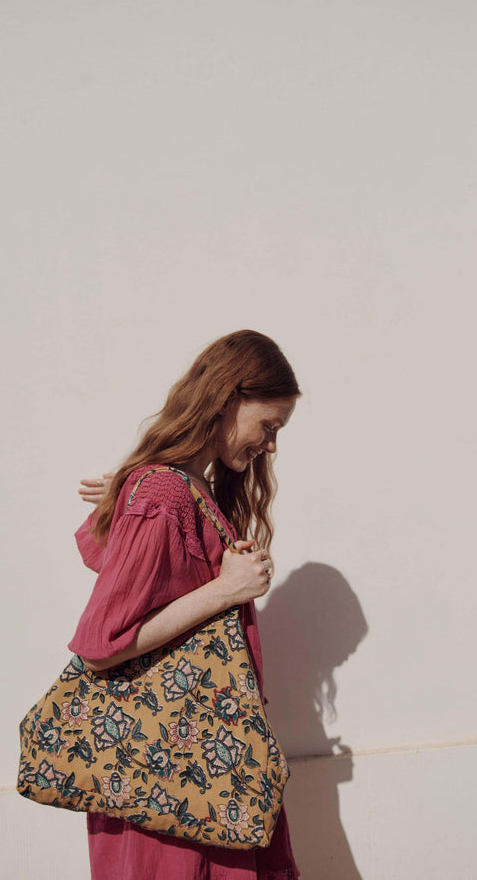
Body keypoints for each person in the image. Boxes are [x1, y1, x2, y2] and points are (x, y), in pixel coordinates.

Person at [68, 329, 302, 880]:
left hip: (195, 767)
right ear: (227, 399)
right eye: (269, 426)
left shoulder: (185, 488)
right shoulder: (166, 491)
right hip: (174, 779)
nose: (271, 446)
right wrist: (225, 590)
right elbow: (102, 645)